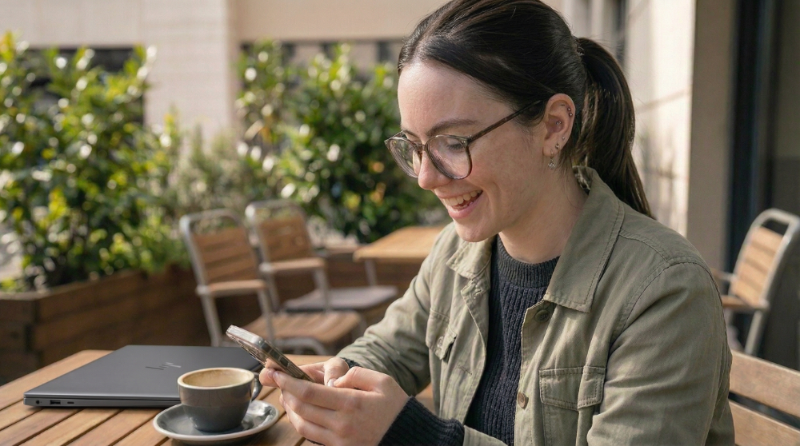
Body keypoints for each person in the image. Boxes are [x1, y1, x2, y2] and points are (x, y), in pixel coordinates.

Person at [259, 0, 734, 444]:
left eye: (453, 142)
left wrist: (411, 434)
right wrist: (337, 381)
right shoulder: (456, 253)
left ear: (553, 126)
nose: (426, 177)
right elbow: (389, 348)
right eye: (414, 146)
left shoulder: (664, 292)